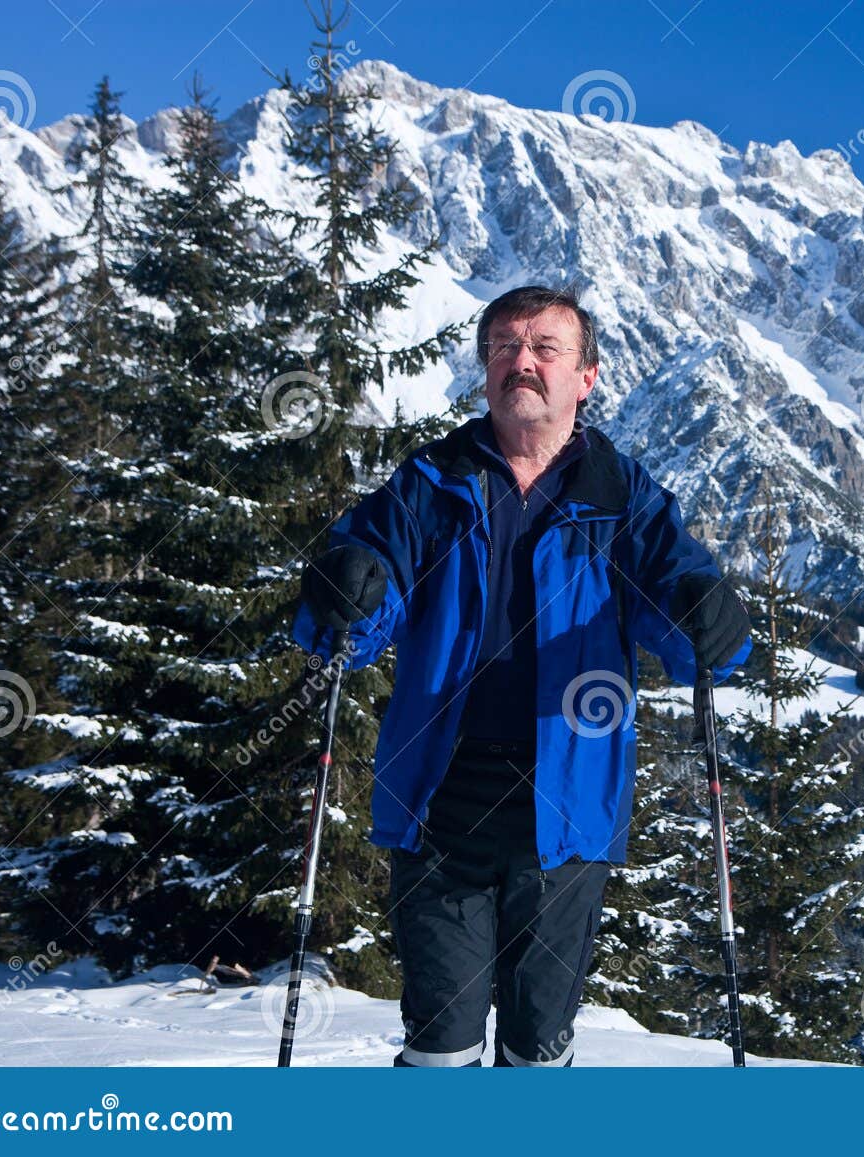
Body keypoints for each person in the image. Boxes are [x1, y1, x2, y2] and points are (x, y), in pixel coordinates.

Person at [293, 284, 751, 1067]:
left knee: (539, 1049)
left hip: (568, 811)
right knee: (440, 1043)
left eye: (545, 347)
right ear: (485, 371)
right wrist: (343, 589)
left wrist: (706, 616)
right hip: (441, 804)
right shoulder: (431, 485)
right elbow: (352, 609)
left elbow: (684, 609)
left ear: (587, 377)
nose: (523, 361)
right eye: (504, 346)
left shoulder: (622, 497)